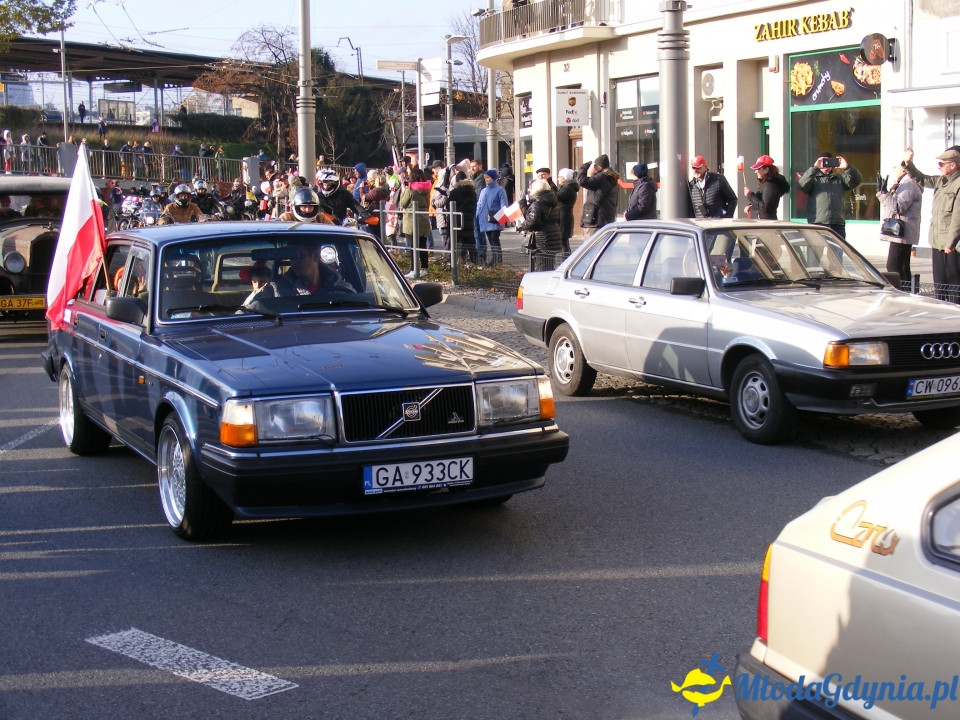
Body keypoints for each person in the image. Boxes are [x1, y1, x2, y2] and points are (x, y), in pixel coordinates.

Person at [904, 147, 960, 301]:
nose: (939, 167)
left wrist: (951, 242)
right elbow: (921, 178)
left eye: (942, 164)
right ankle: (941, 314)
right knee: (940, 285)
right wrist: (908, 163)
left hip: (951, 246)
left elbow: (957, 217)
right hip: (937, 241)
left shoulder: (958, 184)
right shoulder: (941, 181)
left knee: (954, 286)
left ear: (953, 165)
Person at [245, 241, 352, 305]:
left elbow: (359, 318)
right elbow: (247, 314)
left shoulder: (342, 289)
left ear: (315, 256)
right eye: (292, 256)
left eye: (299, 255)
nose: (294, 261)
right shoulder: (274, 289)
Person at [875, 162, 922, 285]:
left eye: (896, 167)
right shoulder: (901, 184)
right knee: (902, 266)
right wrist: (882, 193)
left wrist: (884, 193)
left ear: (904, 170)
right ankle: (908, 291)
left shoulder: (910, 185)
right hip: (899, 232)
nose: (894, 169)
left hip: (902, 232)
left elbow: (898, 207)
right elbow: (889, 206)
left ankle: (902, 292)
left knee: (894, 266)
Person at [797, 152, 861, 238]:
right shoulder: (813, 179)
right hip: (817, 223)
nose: (826, 165)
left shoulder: (839, 179)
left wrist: (847, 167)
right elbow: (802, 184)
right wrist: (815, 168)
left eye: (829, 162)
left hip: (837, 224)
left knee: (836, 251)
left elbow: (856, 181)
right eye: (823, 162)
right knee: (816, 251)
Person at [518, 178, 563, 270]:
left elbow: (533, 220)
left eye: (531, 188)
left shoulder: (538, 203)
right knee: (549, 266)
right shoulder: (552, 201)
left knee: (542, 267)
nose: (529, 190)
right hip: (552, 238)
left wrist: (521, 226)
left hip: (541, 240)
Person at [399, 167, 434, 278]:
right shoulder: (427, 189)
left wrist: (404, 190)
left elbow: (403, 203)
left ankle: (414, 269)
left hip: (411, 219)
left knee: (413, 246)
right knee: (422, 246)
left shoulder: (410, 190)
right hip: (424, 218)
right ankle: (424, 268)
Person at [577, 154, 619, 231]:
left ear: (600, 166)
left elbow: (582, 181)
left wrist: (585, 167)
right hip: (605, 216)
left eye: (595, 165)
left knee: (594, 242)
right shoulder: (609, 177)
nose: (594, 167)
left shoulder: (602, 177)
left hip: (597, 217)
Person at [476, 168, 508, 266]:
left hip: (495, 219)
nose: (486, 179)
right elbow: (479, 204)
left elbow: (504, 205)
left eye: (488, 177)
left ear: (493, 178)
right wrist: (477, 216)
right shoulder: (483, 190)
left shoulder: (500, 190)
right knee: (491, 240)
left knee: (494, 240)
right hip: (485, 220)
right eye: (485, 177)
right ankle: (495, 260)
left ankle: (497, 260)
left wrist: (501, 218)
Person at [743, 155, 790, 220]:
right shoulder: (766, 184)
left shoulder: (770, 185)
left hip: (765, 225)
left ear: (766, 170)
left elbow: (765, 208)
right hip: (762, 223)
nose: (756, 171)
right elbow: (763, 203)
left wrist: (750, 195)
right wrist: (752, 206)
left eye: (758, 169)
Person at [448, 170, 478, 264]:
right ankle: (473, 261)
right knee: (469, 241)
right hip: (468, 219)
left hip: (455, 220)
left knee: (454, 243)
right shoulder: (472, 193)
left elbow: (447, 205)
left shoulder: (454, 192)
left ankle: (456, 262)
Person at [556, 168, 580, 254]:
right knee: (564, 241)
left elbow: (557, 196)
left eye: (560, 177)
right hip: (564, 215)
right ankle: (566, 258)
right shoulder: (567, 187)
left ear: (565, 178)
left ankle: (566, 259)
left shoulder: (568, 188)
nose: (558, 178)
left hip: (564, 216)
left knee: (563, 242)